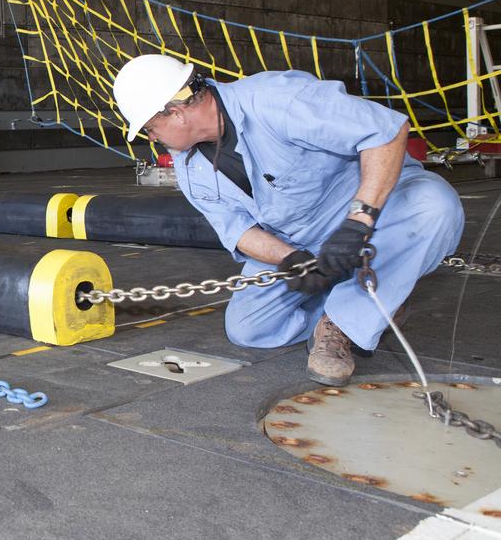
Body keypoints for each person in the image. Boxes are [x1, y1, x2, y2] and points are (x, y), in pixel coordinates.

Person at [112, 55, 464, 386]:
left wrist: (360, 220)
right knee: (249, 328)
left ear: (175, 113)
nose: (152, 138)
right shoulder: (190, 169)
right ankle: (375, 301)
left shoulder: (277, 99)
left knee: (433, 205)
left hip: (373, 208)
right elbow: (239, 231)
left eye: (149, 128)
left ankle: (341, 324)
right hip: (298, 238)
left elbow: (385, 133)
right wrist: (291, 260)